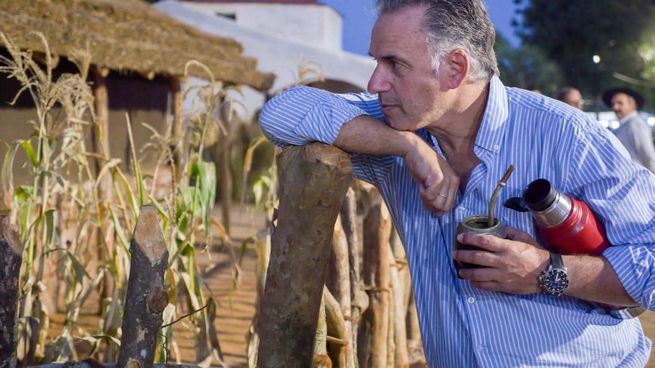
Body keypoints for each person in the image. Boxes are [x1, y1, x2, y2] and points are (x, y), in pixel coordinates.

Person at [259, 0, 655, 366]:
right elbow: (280, 112)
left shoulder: (569, 137)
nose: (376, 82)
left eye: (395, 64)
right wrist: (409, 147)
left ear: (455, 69)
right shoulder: (394, 131)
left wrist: (543, 271)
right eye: (376, 61)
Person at [603, 86, 655, 172]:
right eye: (613, 104)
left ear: (632, 104)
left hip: (639, 181)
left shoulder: (635, 124)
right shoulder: (626, 124)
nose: (615, 107)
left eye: (620, 103)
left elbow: (649, 157)